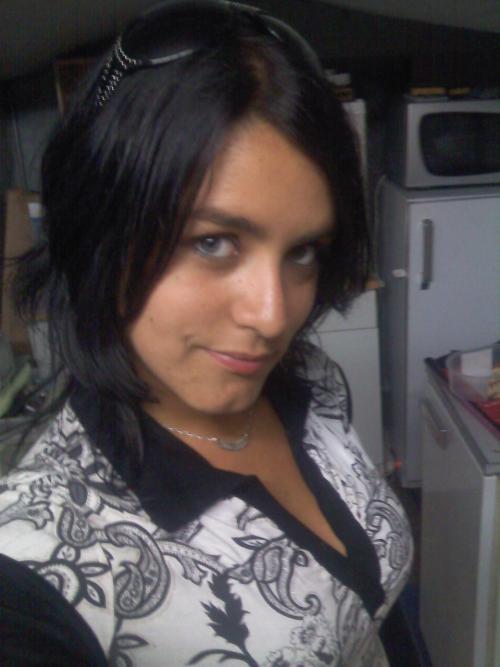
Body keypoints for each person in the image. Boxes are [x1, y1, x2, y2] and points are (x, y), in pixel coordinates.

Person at [0, 1, 412, 665]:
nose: (273, 317)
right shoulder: (37, 565)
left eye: (303, 251)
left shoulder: (310, 382)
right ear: (99, 230)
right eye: (213, 242)